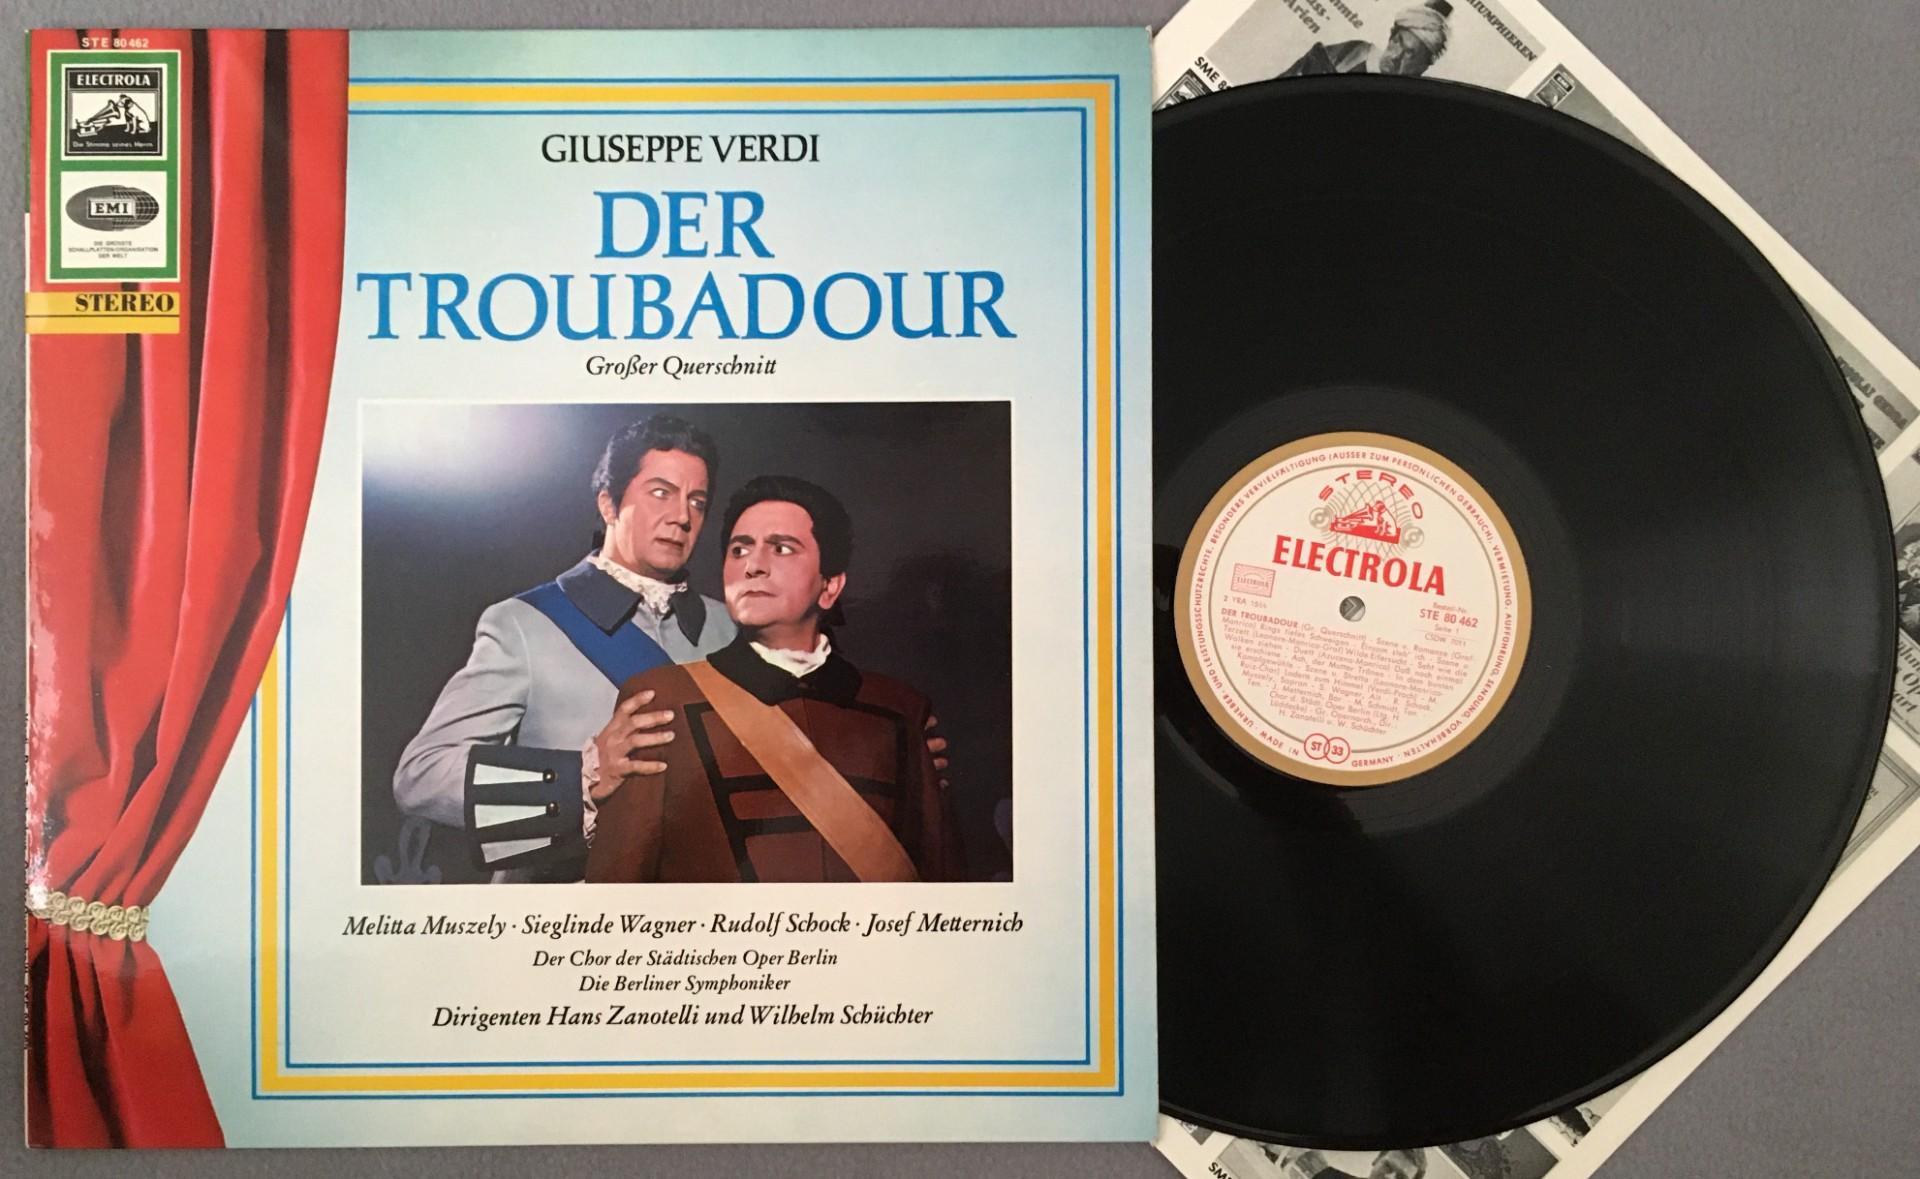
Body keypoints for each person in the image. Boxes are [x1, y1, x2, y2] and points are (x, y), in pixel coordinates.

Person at [393, 413, 736, 881]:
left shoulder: (730, 629)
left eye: (697, 501)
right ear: (609, 504)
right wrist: (582, 777)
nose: (681, 517)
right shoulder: (523, 623)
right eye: (661, 492)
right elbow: (421, 775)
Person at [587, 475, 964, 883]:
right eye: (739, 549)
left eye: (781, 548)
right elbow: (621, 884)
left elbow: (942, 880)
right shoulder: (662, 699)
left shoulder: (901, 709)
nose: (753, 566)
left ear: (830, 586)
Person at [1276, 1, 1452, 79]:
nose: (1396, 56)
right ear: (1391, 35)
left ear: (1422, 68)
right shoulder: (1346, 55)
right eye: (1397, 41)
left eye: (1409, 53)